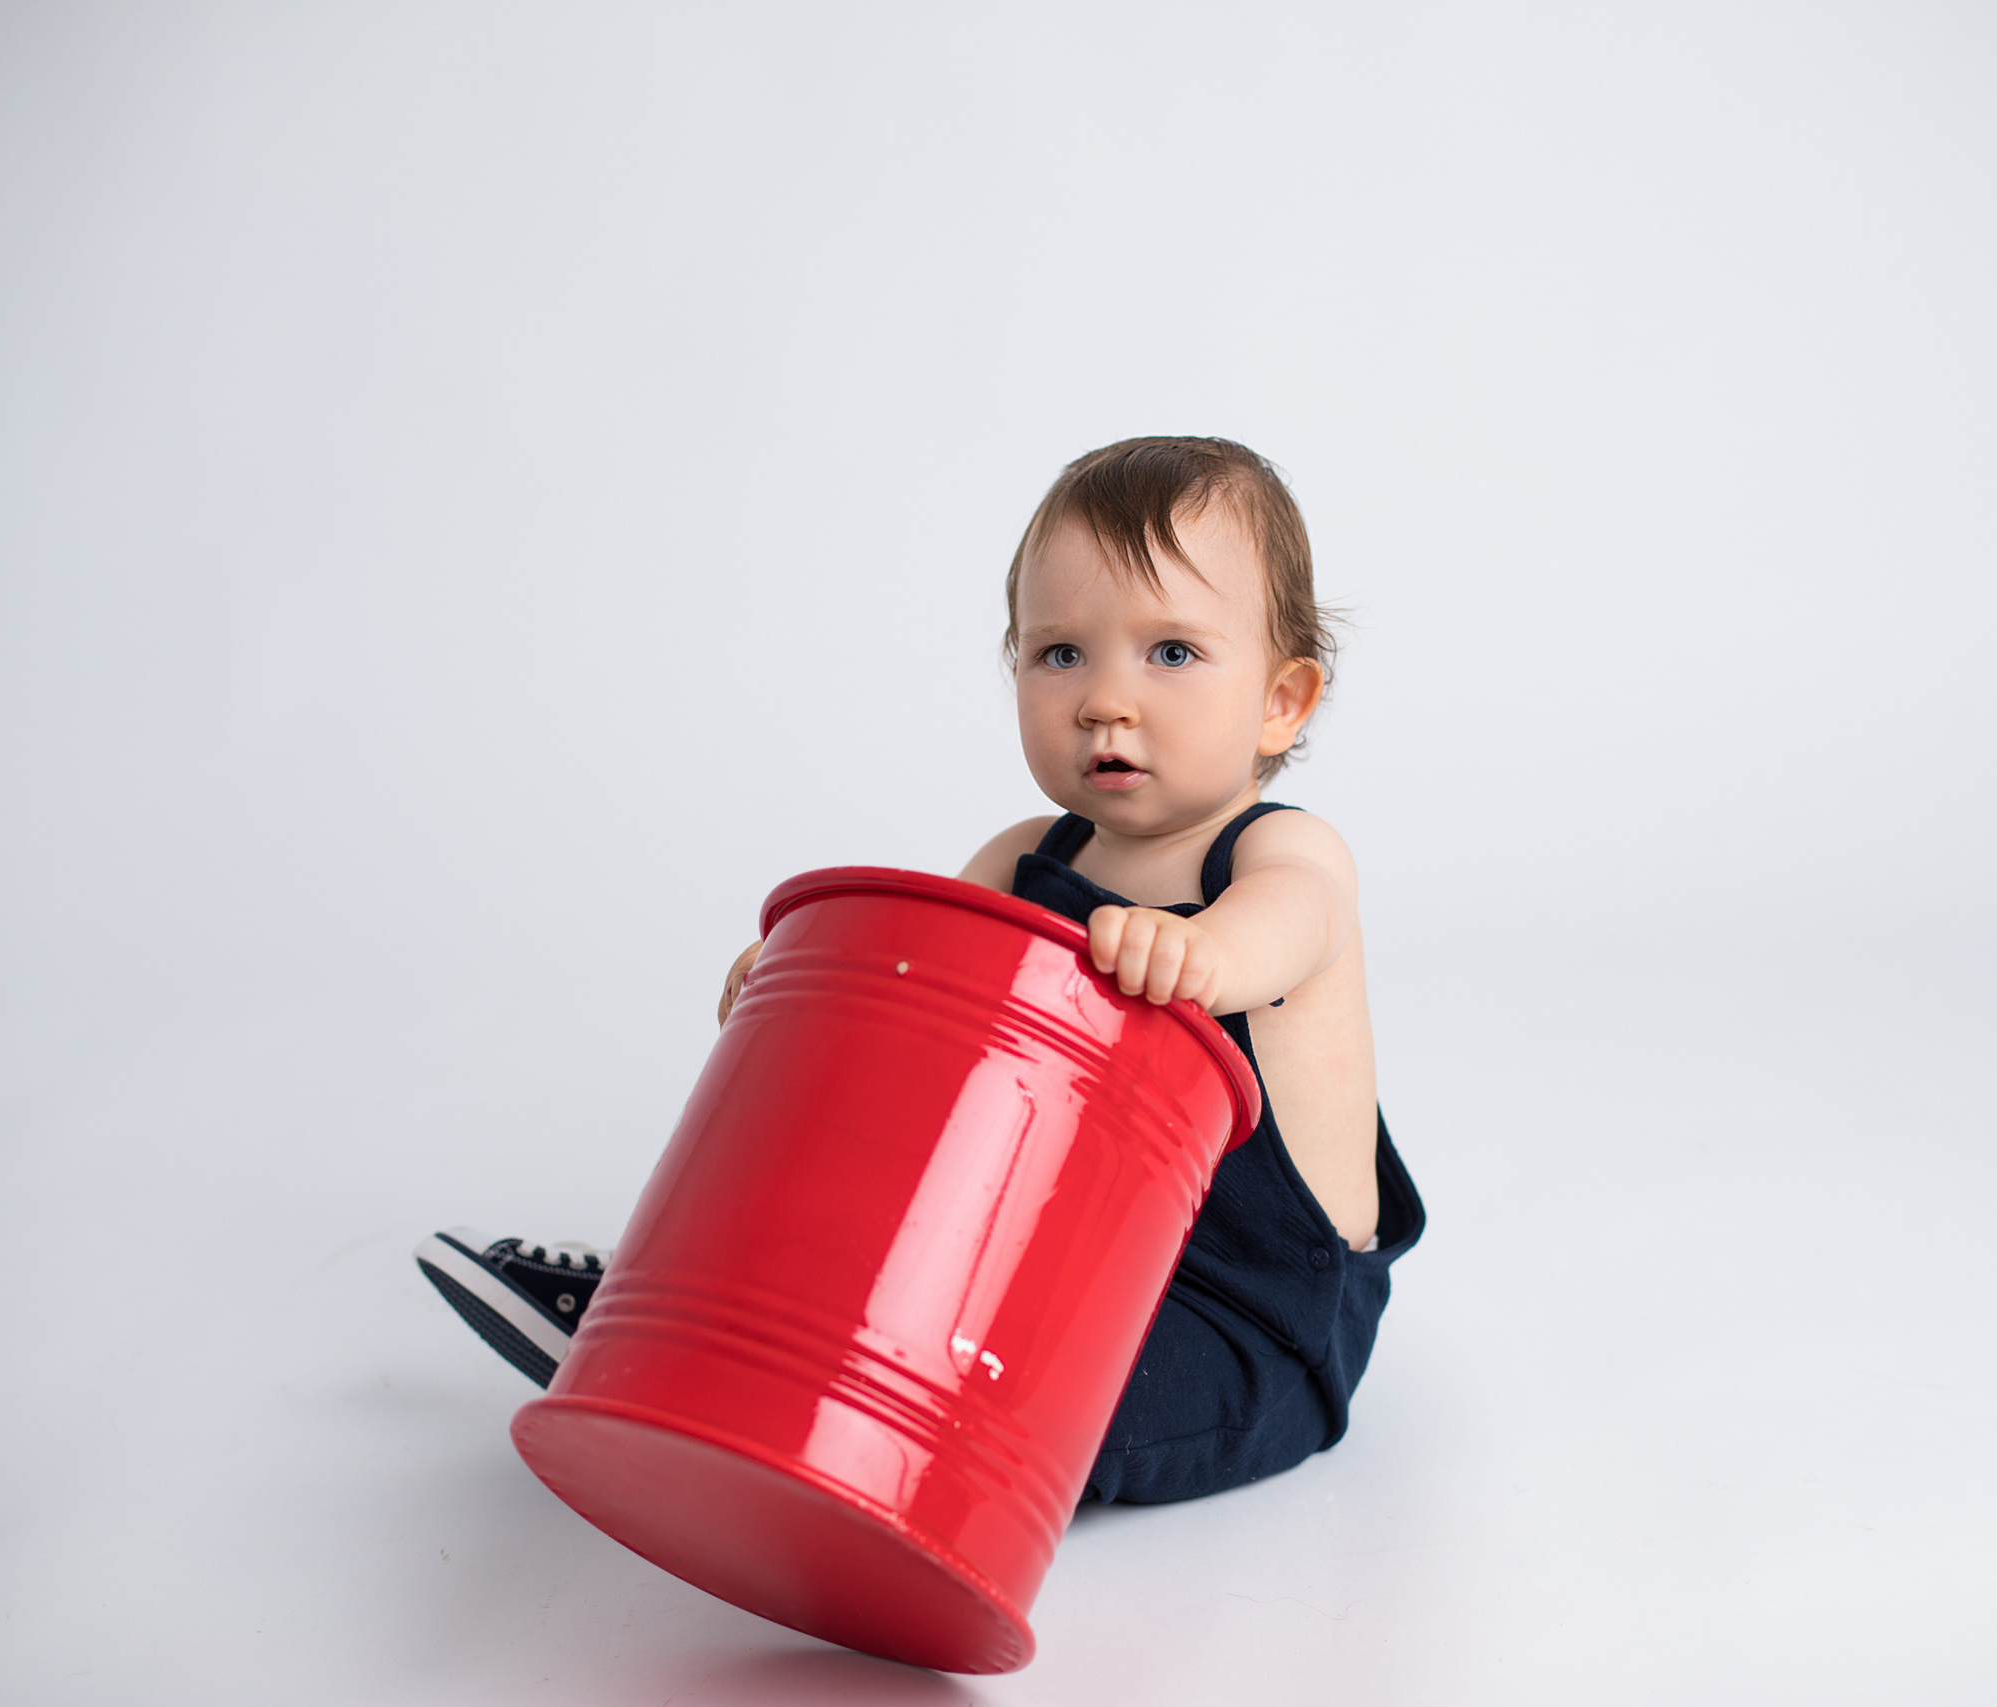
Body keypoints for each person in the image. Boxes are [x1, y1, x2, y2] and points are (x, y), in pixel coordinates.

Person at [418, 436, 1424, 1503]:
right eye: (1060, 654)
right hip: (1048, 1257)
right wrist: (815, 994)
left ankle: (863, 1455)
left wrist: (1203, 951)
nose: (1103, 700)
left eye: (1169, 653)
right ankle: (661, 1320)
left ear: (1282, 700)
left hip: (1239, 1315)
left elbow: (1291, 925)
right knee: (871, 1199)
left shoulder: (1277, 857)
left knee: (1035, 1392)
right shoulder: (1027, 856)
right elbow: (929, 1009)